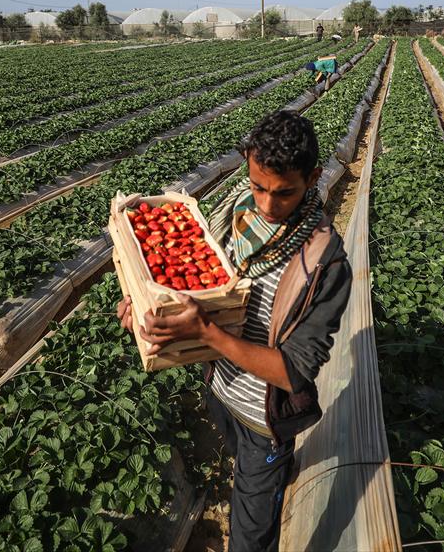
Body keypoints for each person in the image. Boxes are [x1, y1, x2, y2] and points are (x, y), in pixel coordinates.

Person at [117, 111, 352, 552]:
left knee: (249, 535)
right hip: (220, 384)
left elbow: (292, 375)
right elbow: (193, 286)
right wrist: (147, 304)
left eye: (285, 194)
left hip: (266, 417)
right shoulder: (235, 211)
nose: (266, 204)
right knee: (233, 448)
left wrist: (207, 332)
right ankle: (264, 470)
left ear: (314, 177)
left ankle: (273, 473)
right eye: (259, 186)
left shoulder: (325, 265)